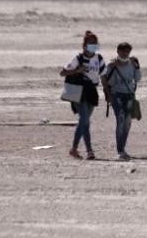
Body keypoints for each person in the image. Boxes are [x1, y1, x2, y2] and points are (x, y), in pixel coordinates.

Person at [60, 31, 107, 160]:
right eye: (90, 43)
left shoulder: (99, 59)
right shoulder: (78, 58)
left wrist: (107, 93)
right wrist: (77, 70)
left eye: (95, 43)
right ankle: (89, 150)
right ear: (84, 45)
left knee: (84, 122)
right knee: (84, 120)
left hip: (92, 92)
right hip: (79, 91)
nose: (93, 46)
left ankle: (74, 149)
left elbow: (103, 77)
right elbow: (63, 73)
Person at [101, 42, 141, 161]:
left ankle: (122, 148)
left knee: (128, 122)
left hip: (129, 95)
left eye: (127, 52)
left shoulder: (133, 63)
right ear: (118, 52)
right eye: (123, 51)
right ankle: (120, 150)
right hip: (116, 94)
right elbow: (108, 82)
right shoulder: (111, 64)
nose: (125, 54)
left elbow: (137, 78)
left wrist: (137, 67)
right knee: (121, 118)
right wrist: (114, 68)